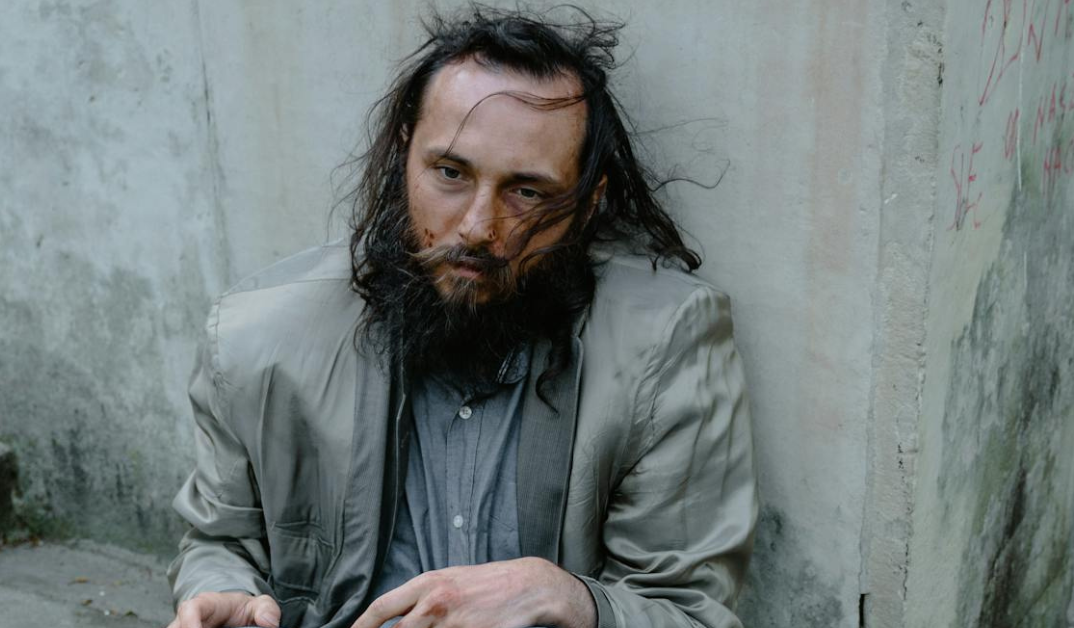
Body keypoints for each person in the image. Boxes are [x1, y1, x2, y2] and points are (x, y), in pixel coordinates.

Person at [166, 6, 757, 628]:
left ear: (589, 203)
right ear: (404, 156)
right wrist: (223, 594)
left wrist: (570, 598)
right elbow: (220, 542)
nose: (477, 228)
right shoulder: (259, 336)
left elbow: (689, 613)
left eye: (526, 191)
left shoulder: (664, 345)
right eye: (450, 173)